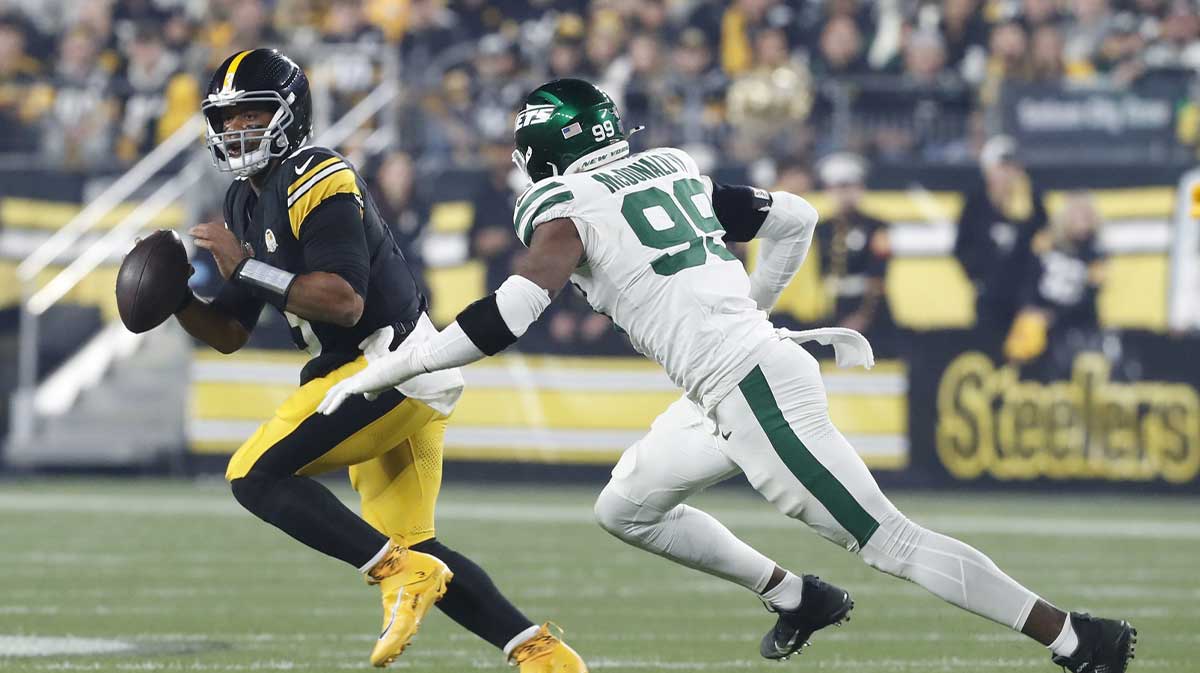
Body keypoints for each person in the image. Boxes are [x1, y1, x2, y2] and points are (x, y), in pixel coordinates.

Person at [318, 79, 1136, 673]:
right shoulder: (669, 165)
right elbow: (797, 217)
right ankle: (794, 594)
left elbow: (512, 309)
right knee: (628, 507)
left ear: (545, 152)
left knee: (890, 541)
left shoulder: (562, 202)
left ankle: (1076, 639)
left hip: (750, 383)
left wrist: (390, 368)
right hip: (727, 382)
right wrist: (754, 306)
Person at [168, 49, 585, 671]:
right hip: (387, 372)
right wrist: (174, 297)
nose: (236, 130)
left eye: (251, 113)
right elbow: (229, 330)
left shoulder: (318, 173)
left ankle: (395, 570)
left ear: (289, 114)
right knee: (419, 544)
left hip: (391, 363)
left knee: (253, 475)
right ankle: (544, 655)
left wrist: (247, 265)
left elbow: (342, 299)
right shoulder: (243, 203)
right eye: (225, 119)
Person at [953, 135, 1048, 335]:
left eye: (1012, 168)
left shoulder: (1033, 202)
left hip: (1025, 296)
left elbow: (1044, 245)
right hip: (989, 295)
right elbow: (962, 246)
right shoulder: (976, 203)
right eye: (1002, 168)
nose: (1008, 175)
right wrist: (979, 278)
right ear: (988, 170)